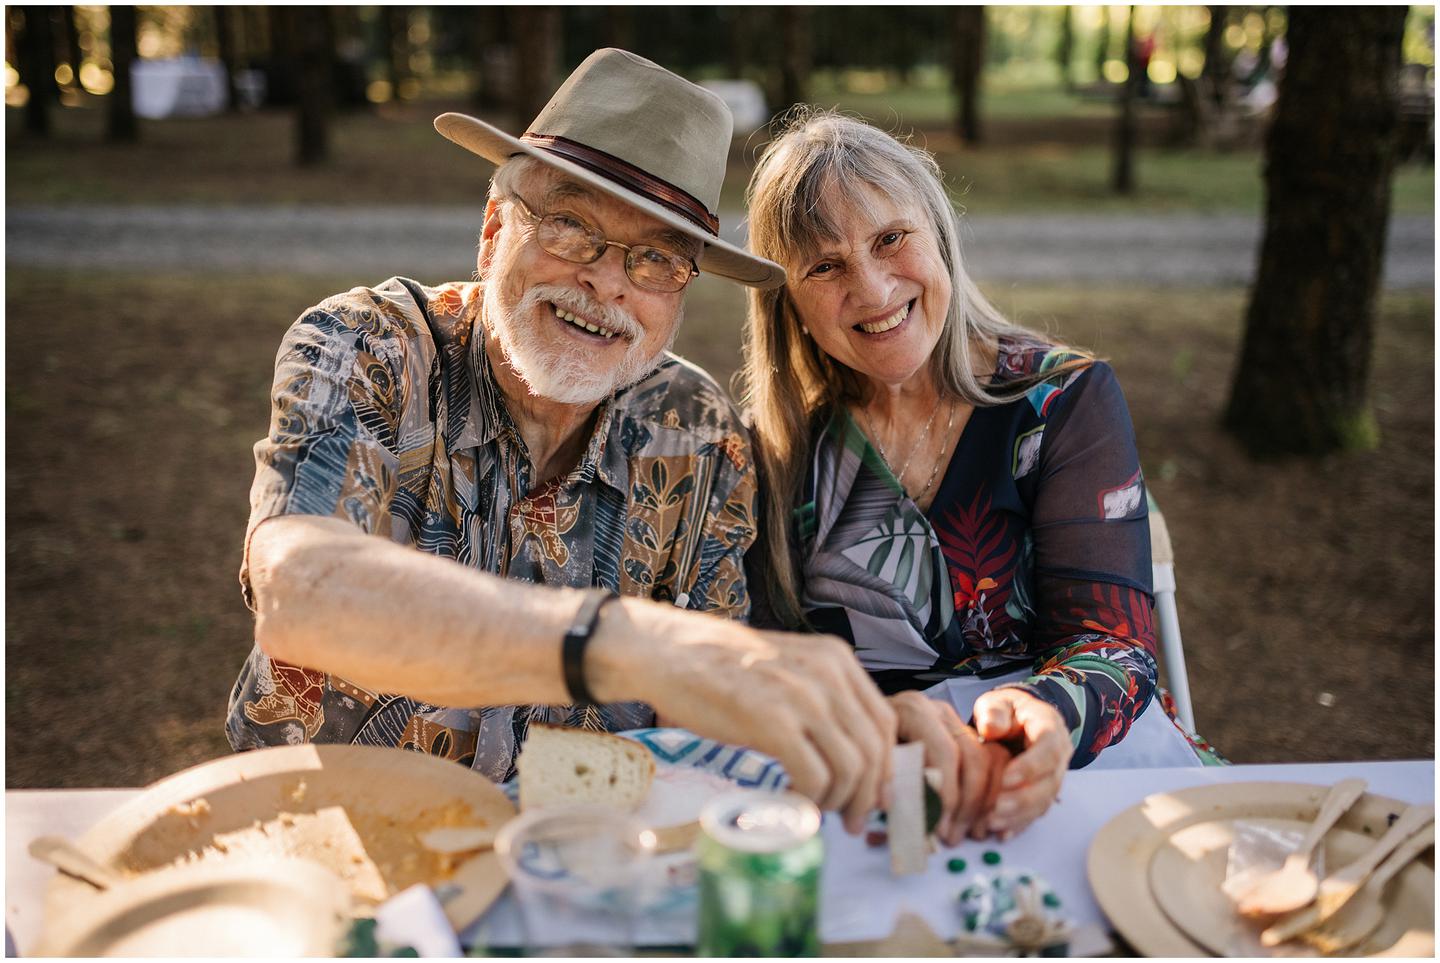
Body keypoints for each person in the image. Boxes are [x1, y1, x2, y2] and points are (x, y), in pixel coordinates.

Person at [224, 50, 900, 834]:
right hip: (328, 840)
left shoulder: (698, 431)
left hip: (576, 861)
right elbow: (300, 592)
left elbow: (713, 712)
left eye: (656, 258)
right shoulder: (369, 347)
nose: (608, 283)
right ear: (492, 230)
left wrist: (884, 731)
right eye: (571, 226)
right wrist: (624, 642)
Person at [741, 110, 1217, 841]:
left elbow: (1115, 645)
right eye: (825, 265)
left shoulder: (1063, 401)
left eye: (889, 239)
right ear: (791, 302)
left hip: (1067, 765)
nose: (870, 289)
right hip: (881, 789)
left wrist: (1041, 718)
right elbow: (769, 666)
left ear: (940, 237)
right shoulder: (779, 449)